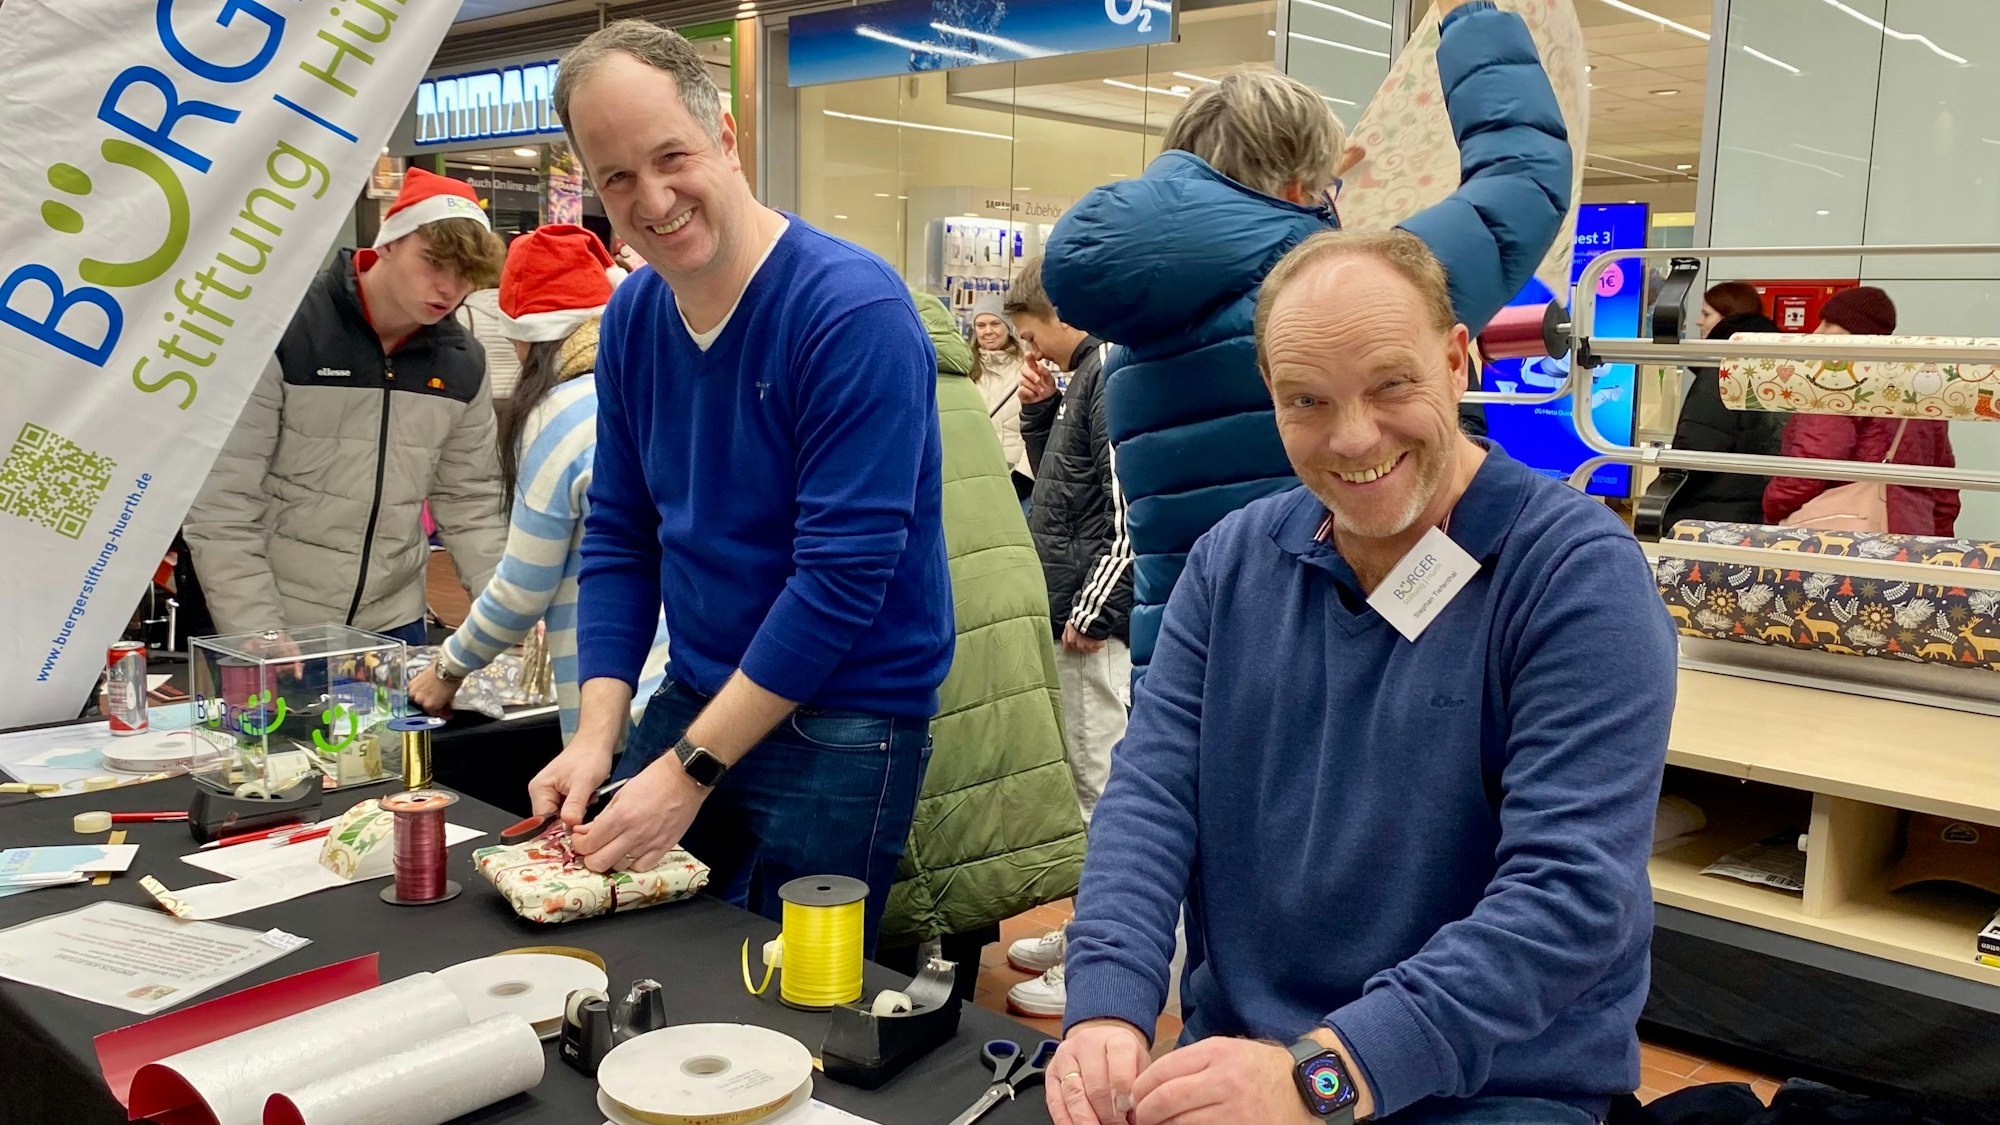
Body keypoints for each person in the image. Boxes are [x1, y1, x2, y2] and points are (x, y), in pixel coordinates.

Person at [1046, 230, 1677, 1125]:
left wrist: (1322, 1078)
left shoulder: (1575, 576)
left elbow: (1566, 899)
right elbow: (1151, 796)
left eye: (1391, 384)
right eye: (1308, 399)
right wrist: (1107, 1002)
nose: (1353, 437)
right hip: (1246, 1063)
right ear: (1270, 400)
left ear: (1458, 363)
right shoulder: (1232, 562)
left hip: (1488, 1089)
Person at [531, 20, 954, 948]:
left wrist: (685, 771)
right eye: (617, 177)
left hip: (848, 717)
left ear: (726, 135)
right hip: (698, 686)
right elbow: (621, 534)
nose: (653, 198)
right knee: (628, 953)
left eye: (670, 156)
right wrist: (598, 732)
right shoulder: (636, 316)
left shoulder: (851, 313)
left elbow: (840, 580)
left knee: (785, 999)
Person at [1042, 0, 1572, 684]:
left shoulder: (1138, 320)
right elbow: (1525, 178)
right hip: (1334, 665)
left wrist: (1317, 197)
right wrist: (1471, 16)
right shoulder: (1338, 287)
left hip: (1185, 667)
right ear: (1299, 184)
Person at [184, 169, 508, 647]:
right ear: (390, 243)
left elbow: (471, 502)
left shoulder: (463, 364)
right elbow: (223, 502)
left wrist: (505, 613)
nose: (448, 288)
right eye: (434, 262)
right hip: (276, 621)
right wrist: (257, 627)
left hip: (395, 623)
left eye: (465, 275)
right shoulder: (286, 332)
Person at [875, 289, 1086, 1004]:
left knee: (924, 805)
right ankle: (958, 990)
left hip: (922, 609)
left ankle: (914, 1000)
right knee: (984, 793)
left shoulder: (871, 376)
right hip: (998, 593)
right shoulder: (955, 380)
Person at [408, 224, 672, 740]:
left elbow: (523, 588)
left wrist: (447, 668)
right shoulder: (658, 393)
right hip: (704, 691)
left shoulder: (561, 413)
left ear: (522, 335)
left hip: (624, 705)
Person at [1002, 256, 1132, 1019]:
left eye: (1031, 335)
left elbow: (1129, 506)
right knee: (1083, 789)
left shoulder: (1109, 372)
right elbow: (1069, 480)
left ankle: (1097, 956)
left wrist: (1095, 605)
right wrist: (1039, 413)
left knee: (1102, 795)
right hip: (1074, 613)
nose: (1030, 351)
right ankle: (1083, 931)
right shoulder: (1083, 375)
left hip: (1092, 626)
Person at [1763, 287, 1960, 536]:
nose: (1816, 332)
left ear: (1857, 333)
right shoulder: (1919, 390)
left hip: (1845, 536)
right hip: (1912, 536)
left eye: (1829, 324)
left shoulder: (1839, 382)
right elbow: (1943, 488)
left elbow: (1810, 467)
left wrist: (1772, 507)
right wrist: (1936, 538)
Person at [1660, 281, 1785, 527]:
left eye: (1706, 314)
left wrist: (1667, 476)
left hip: (1707, 513)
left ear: (1729, 316)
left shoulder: (1724, 368)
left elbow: (1696, 445)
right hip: (1754, 511)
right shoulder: (1773, 364)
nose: (1698, 322)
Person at [969, 296, 1033, 487]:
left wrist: (1023, 476)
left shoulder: (1027, 370)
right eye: (981, 325)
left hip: (1017, 479)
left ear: (1008, 326)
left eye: (995, 323)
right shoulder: (965, 372)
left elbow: (1038, 428)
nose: (988, 331)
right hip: (975, 478)